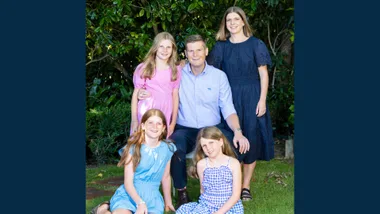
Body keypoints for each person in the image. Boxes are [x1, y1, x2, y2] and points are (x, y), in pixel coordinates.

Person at [139, 34, 250, 208]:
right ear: (185, 54)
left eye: (199, 50)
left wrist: (238, 131)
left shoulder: (219, 76)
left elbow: (228, 109)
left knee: (237, 147)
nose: (195, 54)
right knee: (174, 147)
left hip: (212, 128)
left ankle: (221, 190)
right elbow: (156, 84)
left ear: (206, 51)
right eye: (191, 51)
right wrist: (141, 92)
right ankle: (182, 192)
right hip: (186, 128)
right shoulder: (176, 72)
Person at [207, 6, 275, 201]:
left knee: (251, 139)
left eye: (236, 19)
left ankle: (245, 187)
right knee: (228, 139)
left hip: (253, 96)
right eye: (229, 20)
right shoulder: (221, 47)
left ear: (243, 21)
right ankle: (229, 183)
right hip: (228, 97)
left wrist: (262, 100)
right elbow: (209, 73)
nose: (233, 23)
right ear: (225, 24)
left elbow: (263, 73)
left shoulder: (256, 44)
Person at [91, 109, 176, 214]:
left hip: (152, 198)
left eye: (158, 123)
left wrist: (168, 202)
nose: (154, 127)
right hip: (130, 194)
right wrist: (140, 203)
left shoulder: (168, 148)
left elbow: (166, 176)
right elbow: (128, 182)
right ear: (143, 126)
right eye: (150, 123)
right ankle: (103, 210)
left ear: (163, 128)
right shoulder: (133, 148)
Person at [176, 126, 244, 214]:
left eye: (211, 143)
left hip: (229, 207)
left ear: (221, 141)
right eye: (204, 145)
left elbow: (236, 195)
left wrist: (219, 212)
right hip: (207, 205)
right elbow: (203, 190)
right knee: (183, 210)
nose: (208, 148)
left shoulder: (233, 163)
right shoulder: (202, 165)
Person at [130, 31, 181, 137]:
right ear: (155, 48)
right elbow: (135, 95)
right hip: (146, 113)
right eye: (161, 46)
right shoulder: (144, 68)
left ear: (173, 50)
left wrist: (173, 123)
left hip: (165, 114)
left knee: (160, 146)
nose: (165, 50)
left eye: (168, 47)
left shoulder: (176, 70)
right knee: (141, 145)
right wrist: (134, 121)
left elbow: (175, 96)